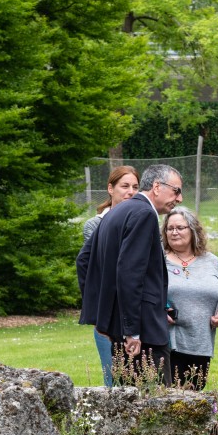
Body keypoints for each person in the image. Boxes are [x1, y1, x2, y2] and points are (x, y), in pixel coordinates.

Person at [77, 164, 184, 383]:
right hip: (143, 336)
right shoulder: (144, 213)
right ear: (157, 187)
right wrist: (132, 331)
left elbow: (85, 261)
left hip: (122, 331)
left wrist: (104, 315)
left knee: (131, 403)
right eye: (176, 191)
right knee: (156, 405)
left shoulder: (115, 213)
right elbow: (130, 273)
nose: (179, 198)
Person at [82, 165, 139, 386]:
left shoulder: (141, 220)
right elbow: (90, 266)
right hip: (108, 315)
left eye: (135, 187)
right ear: (110, 188)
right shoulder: (96, 225)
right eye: (124, 186)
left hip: (136, 313)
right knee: (114, 380)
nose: (130, 192)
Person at [163, 207, 218, 389]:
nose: (174, 232)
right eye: (170, 228)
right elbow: (145, 293)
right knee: (172, 401)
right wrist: (158, 311)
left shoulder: (211, 261)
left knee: (195, 399)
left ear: (193, 230)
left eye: (180, 227)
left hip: (201, 343)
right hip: (170, 344)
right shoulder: (159, 261)